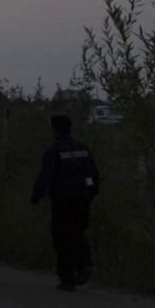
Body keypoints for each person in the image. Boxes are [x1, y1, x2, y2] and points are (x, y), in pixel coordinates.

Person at [30, 113, 100, 290]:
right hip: (82, 200)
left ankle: (67, 279)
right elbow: (92, 176)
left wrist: (36, 197)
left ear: (54, 130)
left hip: (63, 201)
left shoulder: (53, 151)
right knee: (77, 232)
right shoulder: (83, 149)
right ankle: (84, 264)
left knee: (61, 238)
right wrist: (89, 192)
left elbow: (46, 177)